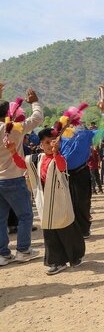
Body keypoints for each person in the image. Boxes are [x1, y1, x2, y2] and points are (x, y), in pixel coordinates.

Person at [7, 128, 85, 274]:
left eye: (53, 142)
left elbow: (61, 167)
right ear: (41, 144)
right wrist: (12, 151)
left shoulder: (60, 157)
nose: (50, 145)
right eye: (47, 142)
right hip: (45, 202)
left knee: (66, 229)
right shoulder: (36, 159)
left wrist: (56, 153)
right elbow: (22, 164)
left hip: (60, 201)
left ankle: (75, 256)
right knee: (50, 233)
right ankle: (57, 262)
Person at [0, 87, 43, 266]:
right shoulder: (14, 129)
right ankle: (23, 250)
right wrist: (34, 102)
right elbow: (37, 119)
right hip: (14, 178)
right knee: (25, 215)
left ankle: (3, 254)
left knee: (0, 218)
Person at [60, 127, 97, 239]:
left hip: (81, 173)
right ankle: (72, 230)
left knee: (82, 202)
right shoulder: (60, 135)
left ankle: (84, 229)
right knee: (68, 202)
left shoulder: (86, 134)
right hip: (64, 174)